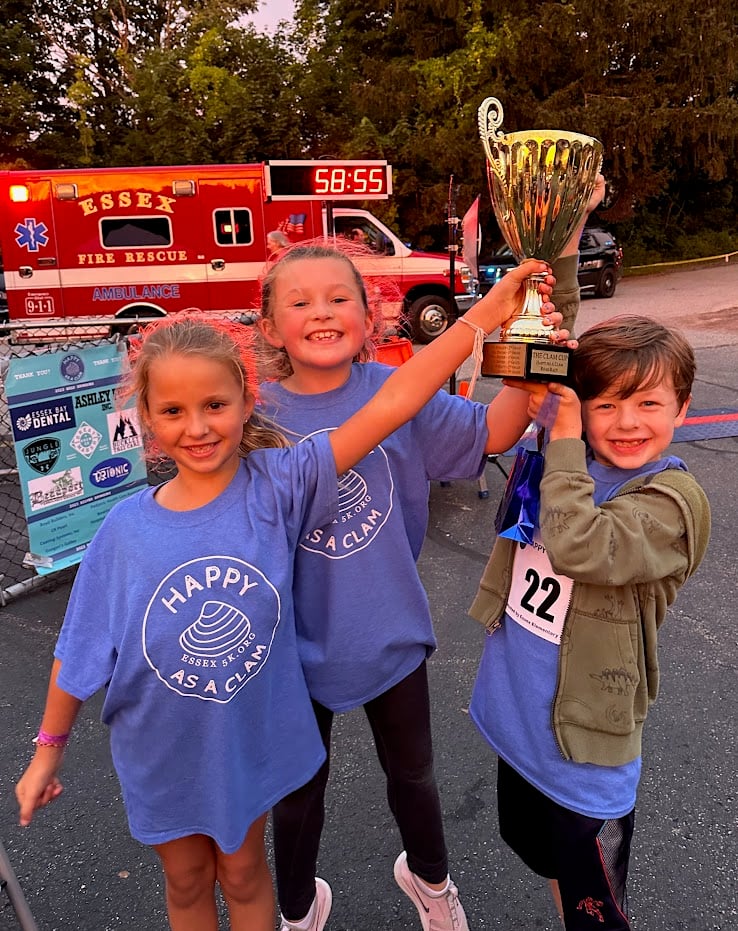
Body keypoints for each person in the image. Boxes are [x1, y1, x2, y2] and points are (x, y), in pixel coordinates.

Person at [15, 259, 555, 931]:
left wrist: (500, 327)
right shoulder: (150, 515)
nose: (198, 425)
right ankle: (301, 907)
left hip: (326, 674)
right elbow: (82, 644)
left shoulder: (286, 475)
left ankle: (413, 883)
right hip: (224, 702)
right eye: (174, 411)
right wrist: (48, 746)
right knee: (235, 847)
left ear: (247, 402)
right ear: (147, 420)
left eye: (214, 406)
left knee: (331, 823)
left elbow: (399, 401)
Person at [256, 241, 575, 931]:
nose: (322, 312)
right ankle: (297, 908)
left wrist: (530, 356)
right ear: (270, 327)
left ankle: (431, 881)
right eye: (300, 301)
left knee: (414, 777)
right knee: (296, 794)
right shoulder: (251, 415)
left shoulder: (399, 385)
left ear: (369, 316)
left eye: (339, 298)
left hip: (388, 629)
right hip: (286, 647)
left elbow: (493, 431)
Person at [468, 316, 711, 929]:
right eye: (605, 405)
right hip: (523, 719)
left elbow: (579, 542)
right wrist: (543, 345)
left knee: (593, 902)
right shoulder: (567, 455)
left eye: (648, 403)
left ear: (682, 408)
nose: (626, 422)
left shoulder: (671, 502)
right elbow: (551, 358)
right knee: (548, 862)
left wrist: (568, 436)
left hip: (584, 742)